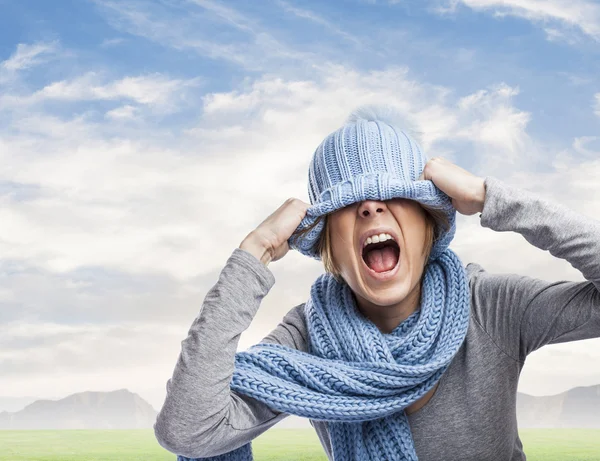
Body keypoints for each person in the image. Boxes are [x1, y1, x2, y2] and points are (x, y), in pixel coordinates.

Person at [153, 104, 600, 461]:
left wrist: (490, 198)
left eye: (392, 193)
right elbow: (190, 432)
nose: (370, 207)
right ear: (329, 244)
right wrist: (254, 253)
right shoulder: (307, 338)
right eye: (350, 203)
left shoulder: (489, 306)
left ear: (429, 224)